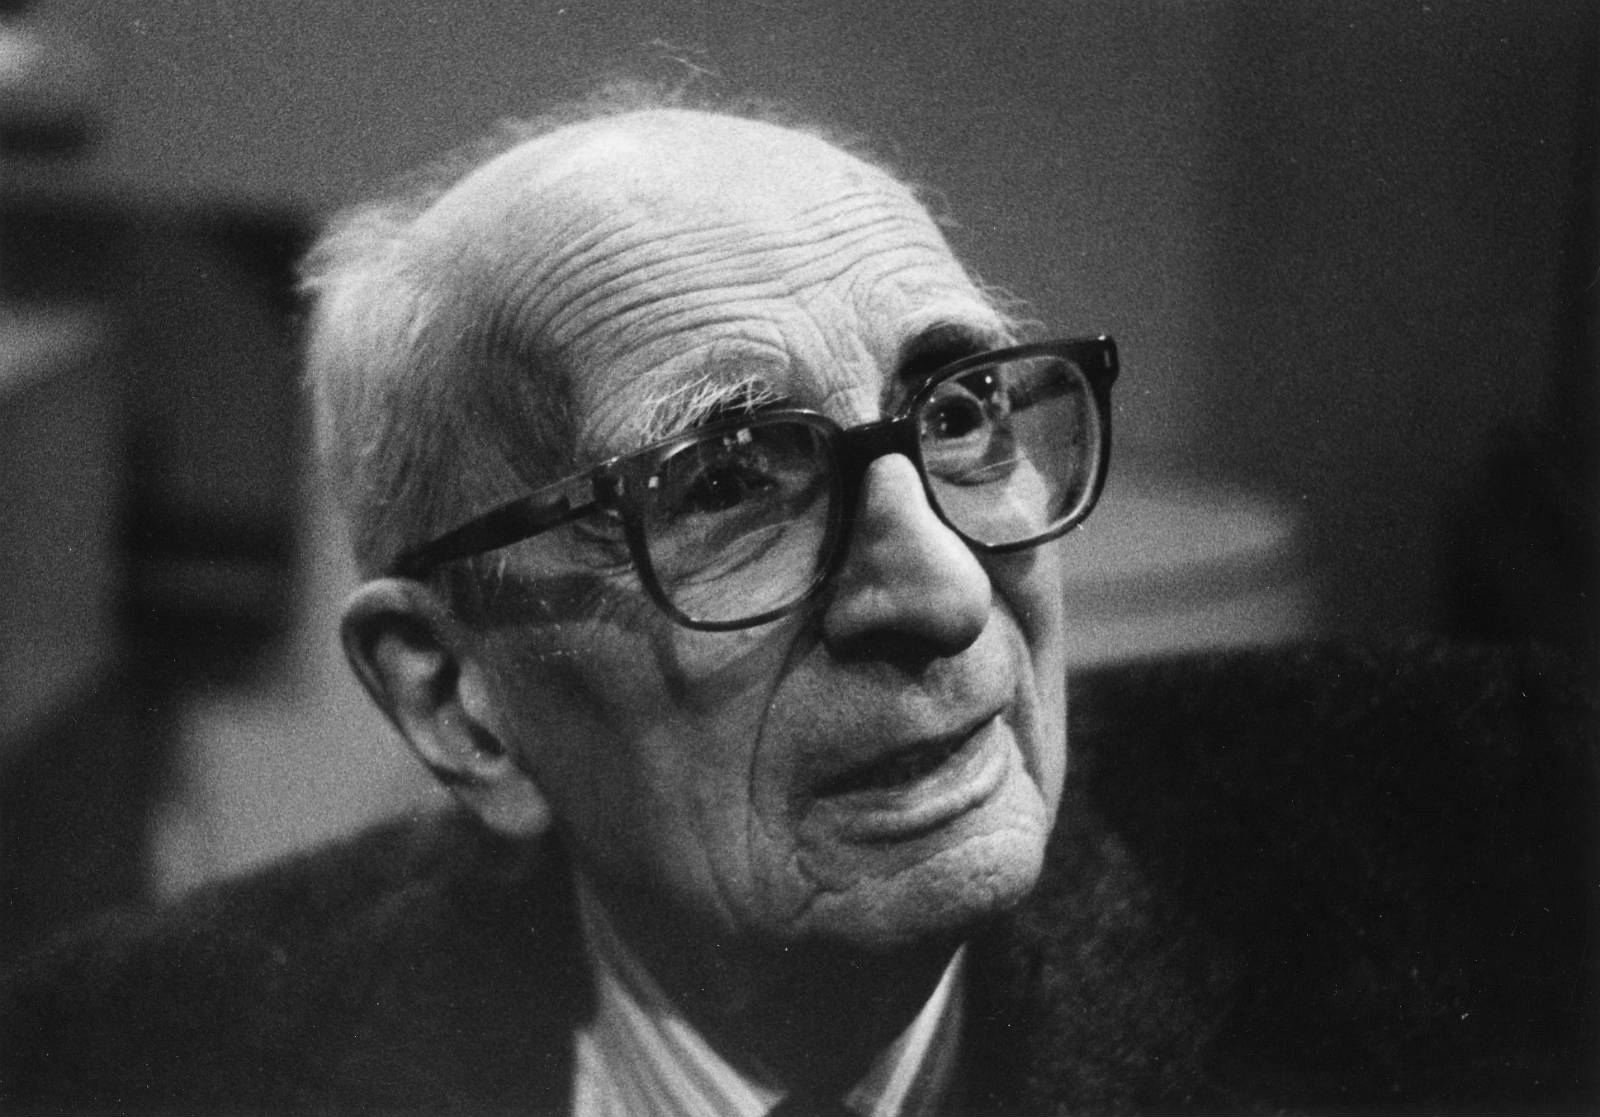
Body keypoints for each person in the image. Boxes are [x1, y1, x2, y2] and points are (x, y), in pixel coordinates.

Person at [3, 89, 1594, 1116]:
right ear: (455, 695)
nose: (941, 593)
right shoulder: (110, 1059)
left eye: (962, 411)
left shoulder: (1501, 834)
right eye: (723, 481)